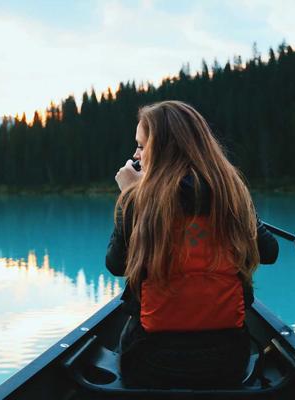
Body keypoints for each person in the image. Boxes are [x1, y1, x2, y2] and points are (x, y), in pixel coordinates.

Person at [105, 100, 278, 389]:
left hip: (151, 361)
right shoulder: (231, 191)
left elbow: (116, 265)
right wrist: (247, 212)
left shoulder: (139, 199)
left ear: (162, 149)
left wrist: (130, 196)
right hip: (226, 362)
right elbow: (269, 252)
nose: (135, 155)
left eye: (141, 146)